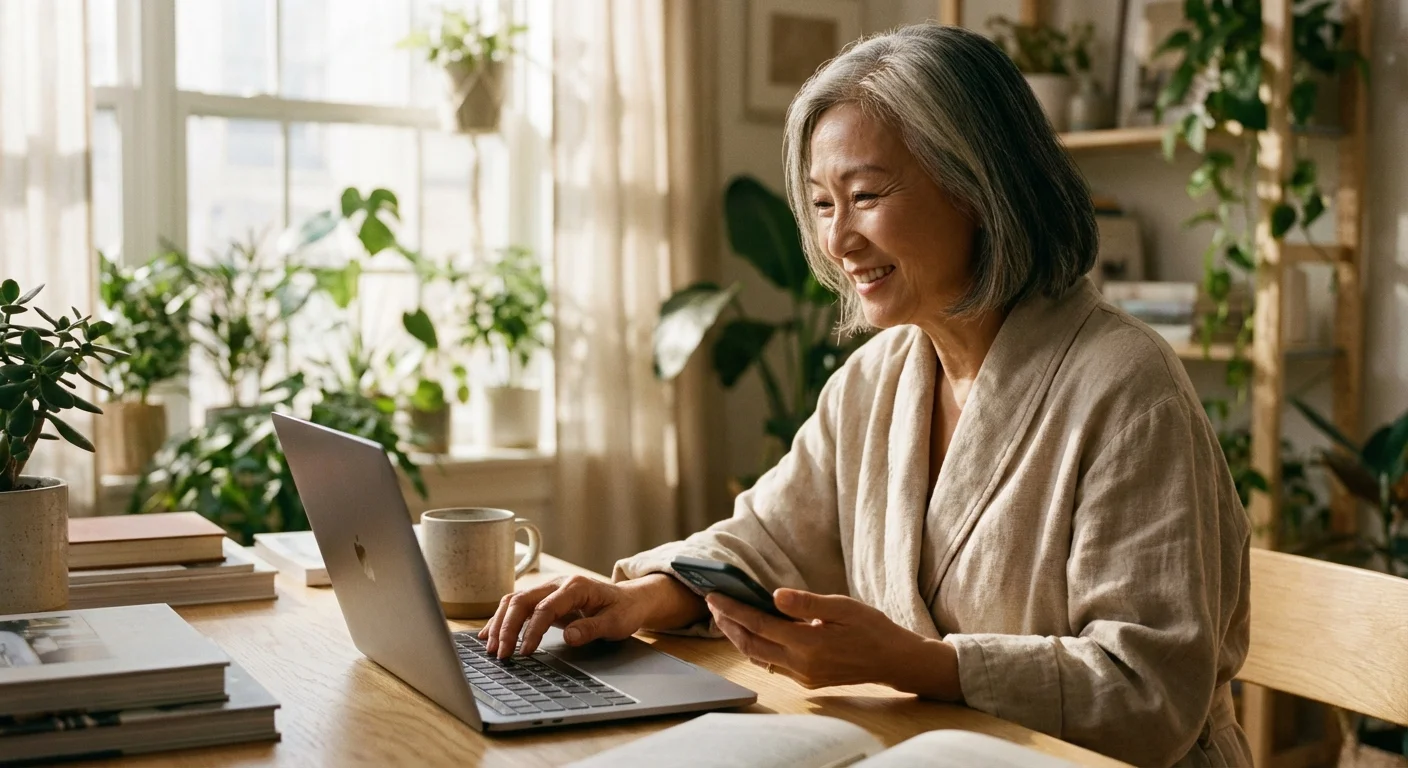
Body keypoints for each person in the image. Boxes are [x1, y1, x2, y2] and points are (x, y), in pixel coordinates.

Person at [480, 23, 1251, 768]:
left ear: (978, 185)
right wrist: (645, 597)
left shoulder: (1127, 387)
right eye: (822, 204)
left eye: (866, 195)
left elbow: (1151, 693)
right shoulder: (879, 379)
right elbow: (768, 540)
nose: (836, 240)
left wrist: (925, 664)